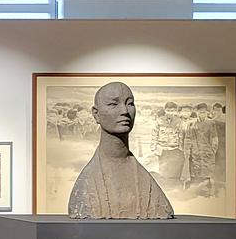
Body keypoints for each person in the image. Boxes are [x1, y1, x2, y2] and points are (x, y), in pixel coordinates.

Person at [67, 82, 174, 219]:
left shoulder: (148, 184)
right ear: (96, 114)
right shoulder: (86, 183)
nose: (124, 111)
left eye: (130, 104)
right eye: (113, 104)